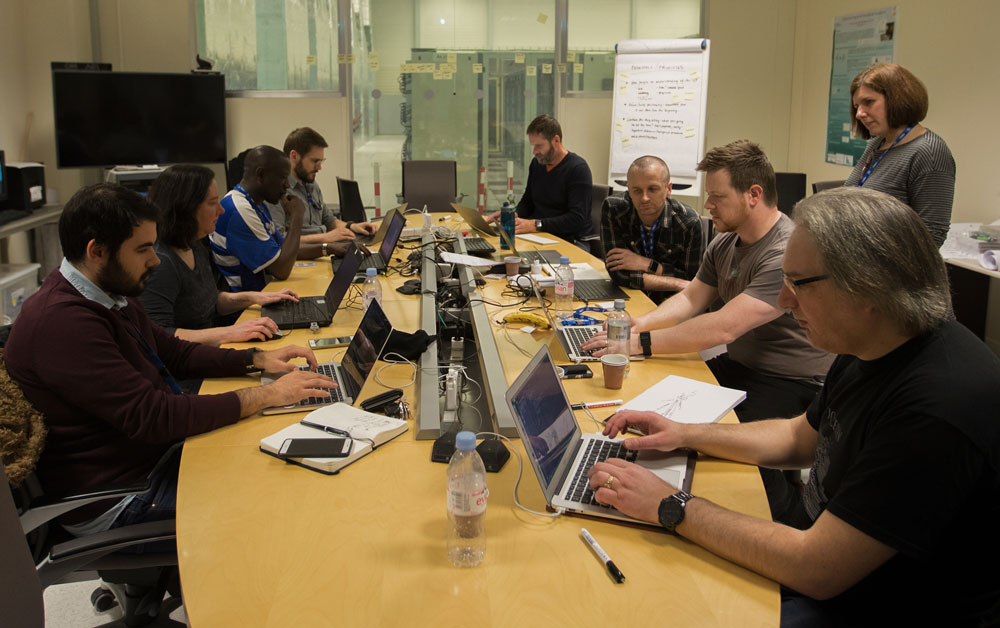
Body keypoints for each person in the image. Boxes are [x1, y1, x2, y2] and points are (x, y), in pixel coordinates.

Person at [586, 187, 1000, 626]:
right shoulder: (873, 342)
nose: (784, 301)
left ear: (869, 289)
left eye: (798, 283)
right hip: (818, 555)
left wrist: (670, 504)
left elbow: (817, 567)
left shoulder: (936, 408)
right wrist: (684, 433)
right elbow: (798, 436)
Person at [4, 183, 335, 534]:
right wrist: (266, 395)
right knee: (280, 502)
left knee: (283, 453)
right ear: (97, 251)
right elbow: (153, 416)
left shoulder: (107, 291)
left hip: (151, 459)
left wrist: (257, 359)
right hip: (119, 497)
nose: (155, 259)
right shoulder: (62, 321)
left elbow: (171, 352)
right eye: (144, 248)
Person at [583, 140, 832, 525]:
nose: (707, 206)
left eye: (716, 197)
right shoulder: (725, 241)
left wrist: (640, 344)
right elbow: (693, 299)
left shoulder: (785, 249)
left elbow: (725, 324)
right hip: (742, 367)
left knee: (735, 462)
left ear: (753, 195)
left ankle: (787, 518)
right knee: (662, 410)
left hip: (791, 380)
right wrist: (641, 324)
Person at [141, 164, 299, 346]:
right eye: (212, 203)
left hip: (208, 349)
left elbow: (208, 301)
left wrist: (257, 297)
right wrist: (230, 332)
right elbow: (158, 337)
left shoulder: (194, 244)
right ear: (186, 208)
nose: (221, 210)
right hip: (187, 365)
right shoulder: (162, 263)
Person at [843, 63, 955, 246]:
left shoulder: (929, 151)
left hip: (890, 271)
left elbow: (931, 236)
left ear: (897, 99)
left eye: (868, 102)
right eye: (857, 106)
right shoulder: (877, 143)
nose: (859, 114)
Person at [209, 145, 326, 292]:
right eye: (283, 178)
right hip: (244, 307)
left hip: (262, 292)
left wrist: (329, 249)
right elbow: (281, 269)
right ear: (261, 174)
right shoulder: (240, 210)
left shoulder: (256, 204)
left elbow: (283, 249)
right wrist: (297, 217)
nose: (287, 185)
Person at [600, 155, 704, 303]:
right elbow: (619, 274)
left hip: (673, 304)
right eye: (636, 190)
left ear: (668, 189)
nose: (644, 198)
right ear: (628, 190)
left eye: (652, 189)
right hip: (629, 298)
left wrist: (647, 264)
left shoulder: (689, 222)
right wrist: (674, 281)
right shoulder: (614, 209)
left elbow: (693, 282)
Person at [486, 114, 592, 245]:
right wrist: (514, 215)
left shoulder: (578, 169)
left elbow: (576, 219)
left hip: (568, 240)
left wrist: (535, 225)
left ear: (556, 140)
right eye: (533, 146)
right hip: (538, 235)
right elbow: (528, 202)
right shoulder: (537, 164)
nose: (534, 152)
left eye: (539, 146)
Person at [266, 127, 377, 243]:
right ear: (294, 156)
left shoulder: (311, 184)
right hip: (304, 255)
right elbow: (279, 240)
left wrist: (352, 227)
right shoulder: (276, 192)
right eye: (315, 161)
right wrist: (325, 238)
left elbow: (328, 219)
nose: (319, 167)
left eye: (321, 161)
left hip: (324, 247)